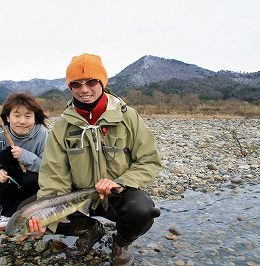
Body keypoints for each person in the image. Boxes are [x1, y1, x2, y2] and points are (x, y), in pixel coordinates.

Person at [27, 53, 162, 265]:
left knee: (142, 210)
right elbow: (54, 174)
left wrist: (121, 182)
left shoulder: (128, 117)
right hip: (77, 197)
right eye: (76, 84)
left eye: (91, 82)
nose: (84, 89)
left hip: (117, 195)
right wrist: (44, 217)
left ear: (102, 82)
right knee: (26, 214)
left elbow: (149, 161)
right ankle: (90, 230)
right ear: (70, 87)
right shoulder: (62, 126)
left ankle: (122, 241)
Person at [0, 92, 48, 231]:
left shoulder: (42, 133)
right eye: (16, 116)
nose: (22, 121)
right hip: (9, 179)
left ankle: (32, 212)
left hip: (32, 178)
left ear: (35, 118)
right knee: (4, 179)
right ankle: (6, 213)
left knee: (31, 179)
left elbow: (46, 166)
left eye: (28, 116)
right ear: (7, 117)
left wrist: (24, 155)